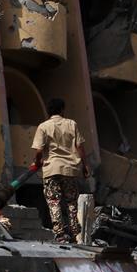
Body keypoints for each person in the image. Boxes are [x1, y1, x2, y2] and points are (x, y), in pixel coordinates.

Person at [32, 98, 89, 243]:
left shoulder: (43, 127)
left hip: (51, 170)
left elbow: (39, 151)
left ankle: (60, 235)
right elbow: (80, 147)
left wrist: (37, 162)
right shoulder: (71, 124)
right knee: (71, 202)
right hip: (69, 170)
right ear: (62, 109)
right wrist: (85, 166)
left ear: (48, 111)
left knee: (54, 202)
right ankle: (75, 234)